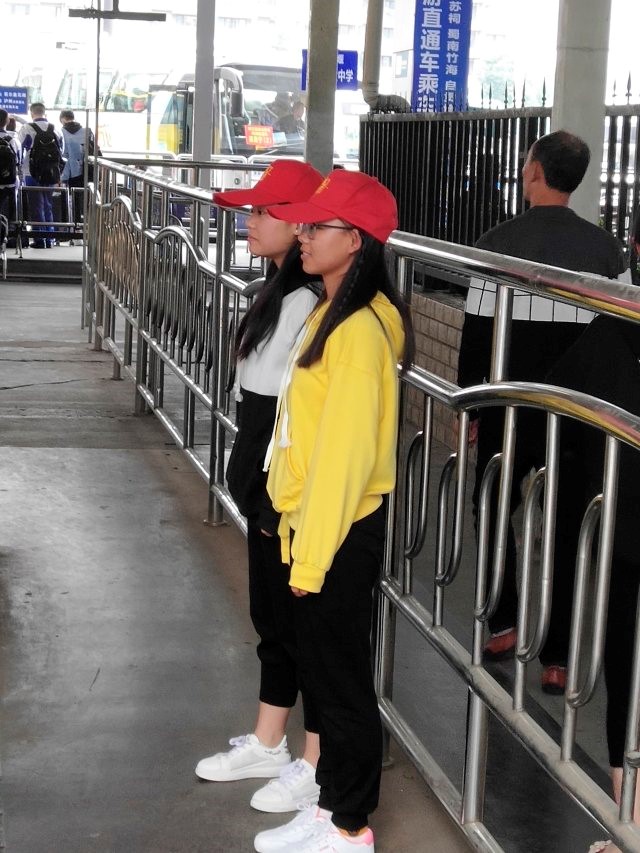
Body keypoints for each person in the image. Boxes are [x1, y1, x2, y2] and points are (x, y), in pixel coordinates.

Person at [253, 170, 415, 853]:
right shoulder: (333, 311)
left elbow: (343, 461)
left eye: (317, 226)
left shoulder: (357, 333)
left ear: (357, 240)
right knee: (326, 674)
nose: (304, 234)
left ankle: (349, 825)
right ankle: (331, 809)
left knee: (342, 684)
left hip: (338, 531)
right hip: (316, 524)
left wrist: (310, 558)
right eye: (305, 223)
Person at [457, 130, 628, 693]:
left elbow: (477, 334)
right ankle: (558, 657)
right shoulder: (606, 251)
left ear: (533, 172)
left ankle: (504, 620)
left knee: (492, 503)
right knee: (568, 526)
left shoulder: (497, 242)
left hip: (510, 406)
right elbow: (621, 334)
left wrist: (470, 400)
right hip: (580, 414)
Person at [195, 160, 325, 815]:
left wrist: (275, 494)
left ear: (302, 224)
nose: (249, 222)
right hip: (264, 484)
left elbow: (290, 417)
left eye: (262, 211)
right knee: (273, 617)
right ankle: (271, 740)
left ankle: (316, 762)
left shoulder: (308, 303)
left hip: (286, 491)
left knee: (303, 625)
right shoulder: (278, 289)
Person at [537, 314, 640, 853]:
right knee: (626, 667)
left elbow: (558, 411)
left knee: (627, 667)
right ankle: (630, 823)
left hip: (624, 524)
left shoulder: (611, 331)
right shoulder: (610, 331)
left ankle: (630, 823)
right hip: (624, 527)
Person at [17, 102, 64, 249]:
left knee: (36, 206)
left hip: (31, 173)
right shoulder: (55, 129)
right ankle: (50, 238)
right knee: (48, 204)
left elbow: (20, 149)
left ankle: (39, 239)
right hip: (51, 172)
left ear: (32, 113)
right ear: (45, 113)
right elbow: (61, 151)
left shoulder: (26, 128)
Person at [59, 109, 99, 227]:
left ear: (62, 119)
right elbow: (95, 150)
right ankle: (88, 226)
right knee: (88, 199)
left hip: (69, 171)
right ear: (73, 117)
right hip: (87, 170)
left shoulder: (60, 132)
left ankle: (74, 226)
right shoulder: (88, 131)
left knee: (72, 199)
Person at [0, 109, 21, 249]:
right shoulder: (13, 140)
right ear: (7, 121)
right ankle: (9, 239)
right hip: (9, 183)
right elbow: (18, 161)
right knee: (11, 213)